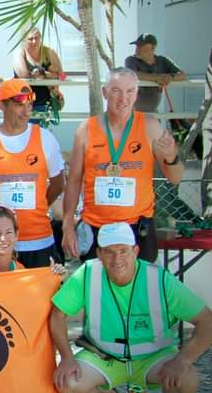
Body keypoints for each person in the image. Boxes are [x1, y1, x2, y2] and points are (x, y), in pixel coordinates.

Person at [50, 223, 212, 393]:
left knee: (187, 381)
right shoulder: (87, 274)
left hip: (154, 357)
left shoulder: (159, 279)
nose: (117, 259)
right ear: (99, 254)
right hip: (104, 356)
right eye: (109, 252)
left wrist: (182, 360)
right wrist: (66, 358)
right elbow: (57, 315)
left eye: (123, 251)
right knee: (66, 382)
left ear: (136, 251)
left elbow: (209, 322)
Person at [62, 68, 183, 262]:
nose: (123, 98)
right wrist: (68, 225)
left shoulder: (149, 125)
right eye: (116, 91)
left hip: (137, 229)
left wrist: (171, 156)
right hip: (97, 228)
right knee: (97, 282)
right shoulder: (86, 129)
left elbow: (175, 178)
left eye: (129, 91)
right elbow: (74, 181)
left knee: (140, 282)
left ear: (136, 94)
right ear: (105, 92)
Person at [0, 79, 65, 268]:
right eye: (19, 104)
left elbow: (58, 184)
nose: (26, 111)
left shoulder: (45, 138)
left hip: (38, 241)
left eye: (30, 104)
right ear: (2, 105)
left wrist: (39, 207)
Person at [11, 26, 65, 127]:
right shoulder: (20, 52)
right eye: (30, 39)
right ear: (24, 40)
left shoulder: (49, 52)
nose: (34, 41)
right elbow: (23, 75)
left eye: (37, 38)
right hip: (24, 103)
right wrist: (49, 75)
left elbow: (61, 75)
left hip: (45, 103)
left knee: (41, 133)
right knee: (26, 133)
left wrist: (42, 74)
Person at [125, 34, 187, 113]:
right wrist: (158, 78)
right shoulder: (131, 60)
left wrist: (170, 77)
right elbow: (133, 74)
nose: (137, 49)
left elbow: (183, 75)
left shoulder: (162, 61)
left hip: (154, 113)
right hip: (134, 113)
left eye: (141, 46)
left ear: (153, 48)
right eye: (137, 46)